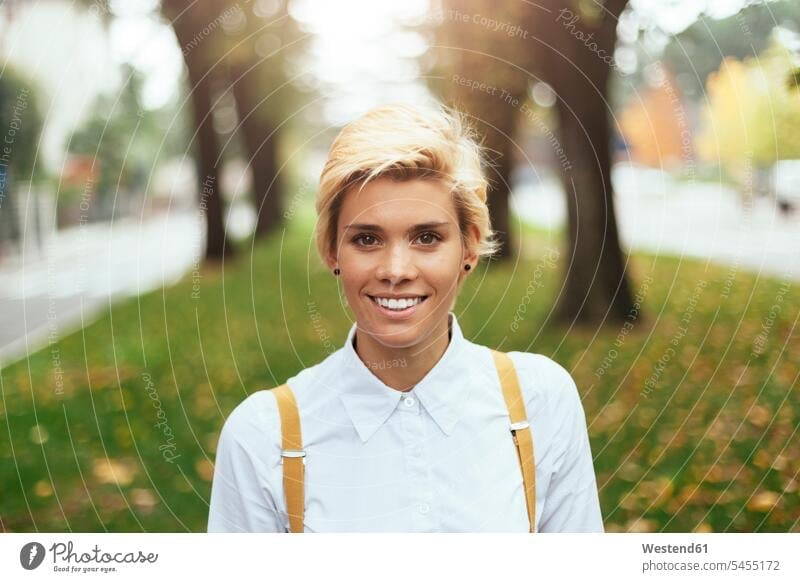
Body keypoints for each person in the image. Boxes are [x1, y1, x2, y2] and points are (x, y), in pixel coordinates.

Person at [207, 103, 603, 533]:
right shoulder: (260, 438)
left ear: (469, 246)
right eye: (367, 239)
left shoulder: (542, 403)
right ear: (331, 251)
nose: (396, 270)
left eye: (427, 237)